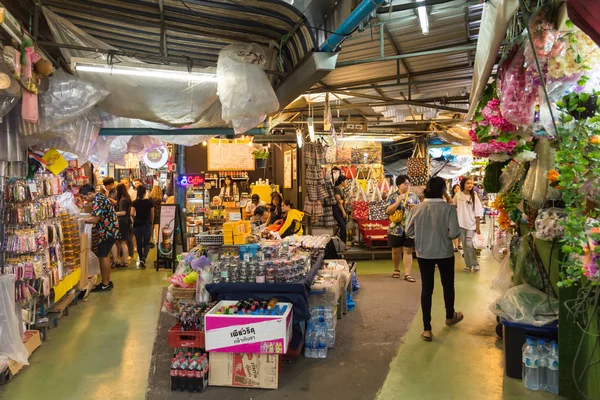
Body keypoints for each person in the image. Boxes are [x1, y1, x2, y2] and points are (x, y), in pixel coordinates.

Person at [405, 176, 464, 342]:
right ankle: (449, 316)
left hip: (424, 253)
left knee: (427, 289)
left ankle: (427, 329)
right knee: (447, 285)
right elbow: (454, 233)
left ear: (426, 190)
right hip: (445, 252)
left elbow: (408, 231)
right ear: (443, 191)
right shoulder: (449, 209)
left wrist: (422, 234)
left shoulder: (416, 209)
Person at [80, 184, 118, 292]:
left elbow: (95, 219)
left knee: (104, 256)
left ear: (89, 193)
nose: (85, 200)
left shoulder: (98, 201)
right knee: (103, 255)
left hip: (107, 232)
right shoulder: (101, 198)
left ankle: (105, 283)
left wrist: (81, 220)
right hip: (109, 230)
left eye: (84, 197)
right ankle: (106, 281)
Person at [385, 175, 420, 282]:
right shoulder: (392, 196)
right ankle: (396, 269)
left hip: (410, 227)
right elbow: (387, 211)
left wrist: (415, 208)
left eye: (408, 184)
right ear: (399, 185)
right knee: (396, 250)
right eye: (405, 184)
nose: (407, 186)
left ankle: (408, 273)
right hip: (396, 228)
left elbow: (419, 210)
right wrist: (398, 202)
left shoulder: (413, 196)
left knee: (408, 250)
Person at [455, 177, 484, 272]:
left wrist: (478, 227)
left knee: (469, 244)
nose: (470, 185)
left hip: (471, 226)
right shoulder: (458, 196)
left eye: (471, 183)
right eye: (468, 183)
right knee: (464, 245)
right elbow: (453, 205)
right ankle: (468, 265)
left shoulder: (474, 197)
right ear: (463, 184)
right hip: (461, 225)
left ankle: (475, 264)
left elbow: (478, 213)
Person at [131, 186, 154, 268]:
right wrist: (151, 222)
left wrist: (134, 219)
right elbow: (152, 214)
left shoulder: (134, 202)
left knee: (139, 243)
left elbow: (132, 213)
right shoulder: (149, 202)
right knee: (146, 243)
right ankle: (144, 258)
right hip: (147, 223)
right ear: (145, 192)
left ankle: (141, 258)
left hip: (137, 224)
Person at [115, 183, 131, 268]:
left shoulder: (122, 200)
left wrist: (113, 213)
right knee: (124, 242)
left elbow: (123, 212)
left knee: (122, 243)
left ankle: (124, 261)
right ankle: (125, 260)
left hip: (122, 222)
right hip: (126, 221)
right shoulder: (127, 199)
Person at [332, 175, 348, 243]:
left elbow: (345, 201)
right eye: (346, 181)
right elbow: (339, 201)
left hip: (341, 210)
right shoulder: (336, 189)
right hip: (337, 211)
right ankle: (342, 244)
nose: (346, 183)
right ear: (342, 182)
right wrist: (343, 211)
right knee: (343, 226)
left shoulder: (342, 190)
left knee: (343, 227)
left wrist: (343, 201)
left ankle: (343, 244)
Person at [451, 184, 462, 252]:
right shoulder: (452, 197)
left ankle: (458, 244)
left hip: (461, 216)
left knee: (460, 231)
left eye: (458, 188)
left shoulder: (461, 196)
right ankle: (456, 246)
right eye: (455, 188)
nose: (457, 189)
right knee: (455, 230)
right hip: (454, 215)